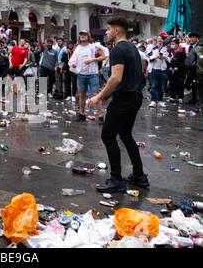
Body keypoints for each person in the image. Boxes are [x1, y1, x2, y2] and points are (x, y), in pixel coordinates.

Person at [89, 17, 149, 193]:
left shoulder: (118, 49)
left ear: (116, 31)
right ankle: (139, 176)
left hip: (124, 99)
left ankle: (116, 179)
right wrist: (109, 94)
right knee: (125, 135)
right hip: (134, 97)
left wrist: (99, 96)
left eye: (108, 29)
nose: (106, 32)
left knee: (108, 136)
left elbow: (116, 77)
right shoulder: (132, 48)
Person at [69, 30, 106, 124]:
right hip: (81, 74)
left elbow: (104, 56)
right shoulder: (77, 48)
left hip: (93, 74)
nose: (82, 36)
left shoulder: (93, 47)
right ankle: (81, 114)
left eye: (84, 34)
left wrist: (92, 60)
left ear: (88, 36)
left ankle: (101, 116)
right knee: (81, 95)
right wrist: (73, 64)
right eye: (81, 34)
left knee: (95, 95)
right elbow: (73, 60)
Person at [148, 36, 170, 108]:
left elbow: (170, 59)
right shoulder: (153, 48)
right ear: (156, 41)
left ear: (163, 41)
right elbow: (149, 57)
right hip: (154, 69)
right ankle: (153, 100)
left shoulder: (166, 50)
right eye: (158, 41)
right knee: (153, 86)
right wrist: (155, 56)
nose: (159, 42)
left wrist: (164, 57)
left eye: (160, 41)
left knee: (161, 86)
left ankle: (160, 100)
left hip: (162, 70)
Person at [168, 39, 187, 103]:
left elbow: (184, 62)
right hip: (172, 71)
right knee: (172, 84)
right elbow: (170, 61)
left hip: (180, 72)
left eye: (173, 44)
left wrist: (178, 67)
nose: (172, 45)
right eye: (171, 44)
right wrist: (170, 67)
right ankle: (172, 97)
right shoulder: (171, 52)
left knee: (180, 84)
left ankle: (180, 97)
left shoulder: (181, 52)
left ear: (177, 44)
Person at [185, 32, 201, 105]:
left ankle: (198, 100)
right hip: (192, 69)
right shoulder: (191, 47)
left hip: (199, 69)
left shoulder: (200, 46)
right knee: (193, 85)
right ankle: (194, 98)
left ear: (196, 38)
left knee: (198, 86)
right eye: (190, 37)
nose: (190, 39)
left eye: (192, 37)